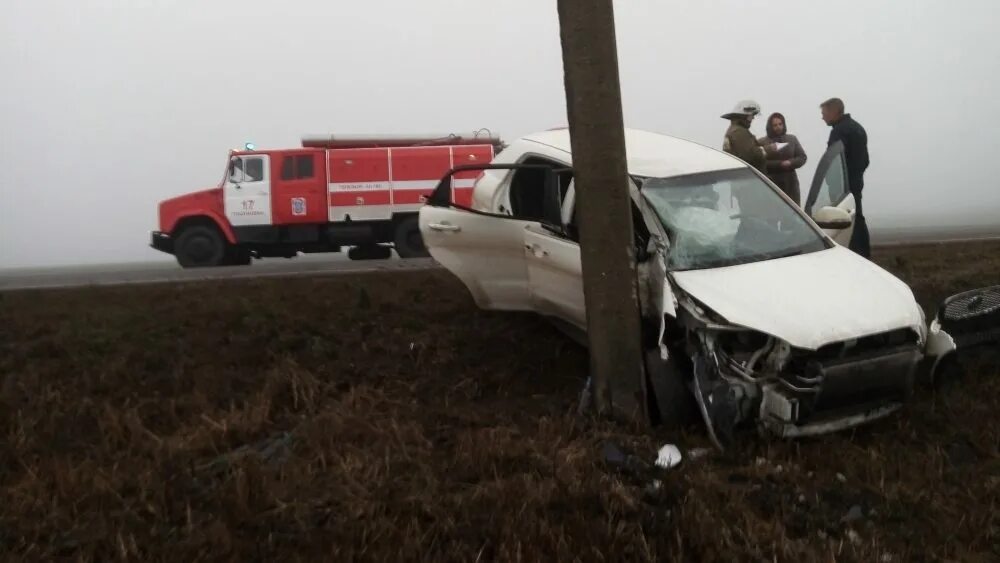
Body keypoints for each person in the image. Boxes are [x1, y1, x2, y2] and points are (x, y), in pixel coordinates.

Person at [820, 97, 870, 258]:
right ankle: (863, 252)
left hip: (844, 186)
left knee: (845, 219)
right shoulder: (858, 128)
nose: (822, 117)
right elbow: (865, 160)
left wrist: (835, 181)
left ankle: (854, 254)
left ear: (834, 112)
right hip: (856, 182)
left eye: (824, 113)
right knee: (857, 217)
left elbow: (833, 160)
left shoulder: (840, 131)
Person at [757, 113, 807, 206]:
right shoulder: (762, 142)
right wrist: (779, 164)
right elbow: (759, 162)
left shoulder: (792, 139)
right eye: (775, 125)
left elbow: (802, 157)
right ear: (770, 126)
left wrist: (790, 162)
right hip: (771, 183)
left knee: (794, 212)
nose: (778, 127)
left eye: (780, 124)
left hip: (790, 183)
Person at [721, 100, 772, 175]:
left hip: (742, 179)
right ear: (744, 116)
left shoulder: (734, 130)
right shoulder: (738, 132)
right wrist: (769, 149)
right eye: (751, 115)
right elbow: (751, 156)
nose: (753, 118)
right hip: (748, 179)